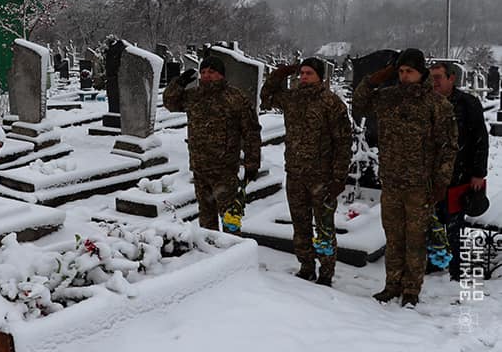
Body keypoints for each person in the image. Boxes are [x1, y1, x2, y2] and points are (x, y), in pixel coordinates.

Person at [352, 48, 457, 308]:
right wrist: (380, 75)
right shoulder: (388, 98)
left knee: (415, 240)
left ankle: (411, 289)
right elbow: (360, 101)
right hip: (392, 181)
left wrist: (442, 181)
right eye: (400, 71)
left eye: (409, 71)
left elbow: (448, 146)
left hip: (420, 185)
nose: (404, 76)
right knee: (394, 238)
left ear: (421, 73)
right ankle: (391, 285)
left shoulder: (436, 104)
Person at [261, 58, 352, 287]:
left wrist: (339, 177)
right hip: (295, 174)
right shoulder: (292, 99)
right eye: (301, 73)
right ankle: (306, 267)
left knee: (324, 228)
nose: (303, 77)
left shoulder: (331, 103)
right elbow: (266, 97)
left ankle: (326, 272)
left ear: (320, 76)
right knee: (300, 225)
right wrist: (280, 73)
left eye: (308, 73)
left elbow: (343, 143)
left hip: (322, 177)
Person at [163, 56, 262, 232]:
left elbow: (251, 132)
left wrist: (252, 162)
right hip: (200, 167)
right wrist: (179, 83)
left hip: (224, 170)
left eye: (211, 72)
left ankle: (234, 253)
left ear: (221, 75)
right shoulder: (194, 96)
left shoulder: (234, 98)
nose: (206, 75)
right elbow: (170, 102)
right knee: (206, 220)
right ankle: (212, 253)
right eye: (203, 72)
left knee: (230, 220)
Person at [429, 61, 489, 280]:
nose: (434, 81)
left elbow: (480, 139)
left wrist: (478, 173)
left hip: (459, 173)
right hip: (432, 175)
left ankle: (459, 269)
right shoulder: (427, 101)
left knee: (457, 225)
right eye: (431, 77)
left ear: (451, 78)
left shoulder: (467, 103)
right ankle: (435, 262)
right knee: (433, 221)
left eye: (438, 77)